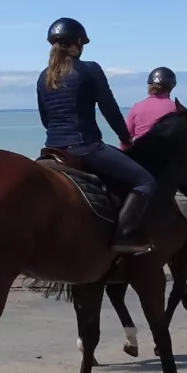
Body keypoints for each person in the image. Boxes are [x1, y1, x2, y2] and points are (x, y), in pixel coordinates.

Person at [37, 17, 154, 253]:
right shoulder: (89, 69)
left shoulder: (44, 76)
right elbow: (109, 108)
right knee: (145, 181)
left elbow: (45, 118)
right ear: (78, 42)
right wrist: (125, 138)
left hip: (52, 148)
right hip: (85, 147)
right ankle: (124, 236)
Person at [125, 66, 187, 242]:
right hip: (165, 167)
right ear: (171, 86)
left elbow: (125, 138)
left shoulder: (137, 107)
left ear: (149, 86)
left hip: (137, 164)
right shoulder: (176, 111)